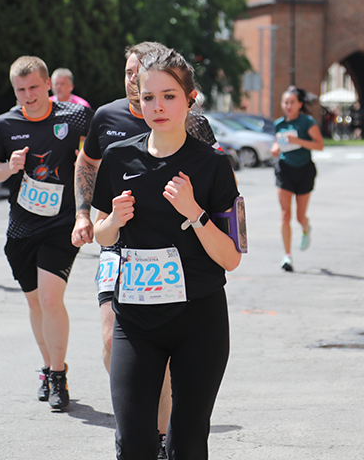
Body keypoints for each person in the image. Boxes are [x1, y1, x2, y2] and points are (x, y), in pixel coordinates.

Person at [91, 46, 241, 460]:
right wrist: (113, 223)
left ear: (190, 98)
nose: (157, 106)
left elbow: (231, 258)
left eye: (169, 96)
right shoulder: (119, 157)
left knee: (187, 444)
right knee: (133, 443)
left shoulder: (213, 166)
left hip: (199, 320)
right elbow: (102, 237)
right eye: (148, 97)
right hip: (135, 320)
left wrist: (195, 212)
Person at [0, 56, 93, 410]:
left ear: (49, 85)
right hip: (22, 228)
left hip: (61, 225)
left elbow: (95, 156)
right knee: (34, 303)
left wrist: (87, 206)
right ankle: (48, 366)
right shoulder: (3, 125)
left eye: (33, 87)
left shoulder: (74, 117)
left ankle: (58, 376)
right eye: (20, 90)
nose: (28, 96)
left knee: (49, 299)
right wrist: (7, 167)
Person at [271, 86, 325, 272]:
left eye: (292, 102)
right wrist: (274, 149)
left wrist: (299, 142)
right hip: (284, 170)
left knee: (300, 216)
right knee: (286, 214)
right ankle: (287, 256)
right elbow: (276, 143)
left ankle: (306, 227)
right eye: (286, 102)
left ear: (300, 104)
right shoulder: (279, 124)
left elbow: (320, 146)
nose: (289, 106)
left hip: (304, 171)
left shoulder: (306, 122)